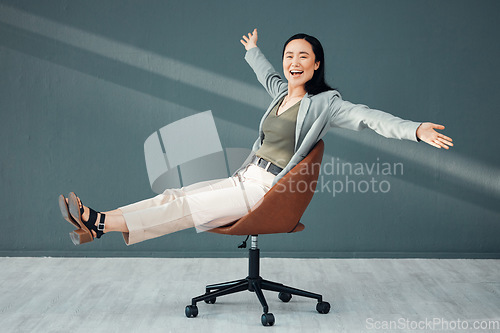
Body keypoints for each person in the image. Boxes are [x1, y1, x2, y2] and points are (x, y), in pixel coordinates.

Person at [59, 28, 453, 245]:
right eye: (289, 56)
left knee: (182, 209)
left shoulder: (326, 104)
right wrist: (254, 51)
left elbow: (368, 119)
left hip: (266, 190)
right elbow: (267, 76)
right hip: (243, 178)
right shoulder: (281, 94)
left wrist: (415, 130)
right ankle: (99, 225)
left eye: (303, 57)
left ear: (316, 65)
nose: (294, 62)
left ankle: (100, 222)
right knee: (174, 198)